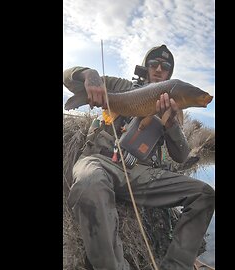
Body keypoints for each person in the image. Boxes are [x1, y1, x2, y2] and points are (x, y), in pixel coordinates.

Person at [63, 45, 215, 270]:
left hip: (145, 175)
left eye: (165, 66)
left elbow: (182, 156)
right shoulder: (119, 86)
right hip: (103, 162)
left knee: (205, 194)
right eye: (154, 64)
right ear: (146, 67)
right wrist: (89, 75)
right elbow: (67, 78)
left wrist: (171, 122)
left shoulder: (174, 106)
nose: (159, 69)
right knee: (89, 181)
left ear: (170, 75)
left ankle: (175, 266)